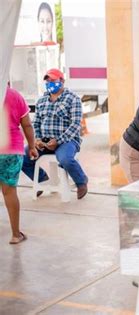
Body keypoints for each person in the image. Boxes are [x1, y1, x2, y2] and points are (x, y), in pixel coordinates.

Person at [22, 68, 88, 199]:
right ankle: (42, 179)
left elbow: (75, 124)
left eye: (53, 80)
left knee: (65, 159)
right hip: (44, 142)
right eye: (47, 81)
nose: (49, 83)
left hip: (67, 141)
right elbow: (36, 123)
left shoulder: (73, 99)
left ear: (62, 81)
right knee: (22, 157)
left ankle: (81, 181)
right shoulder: (41, 101)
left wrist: (58, 141)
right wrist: (38, 140)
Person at [0, 85, 38, 244]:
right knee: (9, 192)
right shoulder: (14, 95)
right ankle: (16, 234)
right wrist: (32, 146)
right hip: (11, 150)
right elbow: (27, 124)